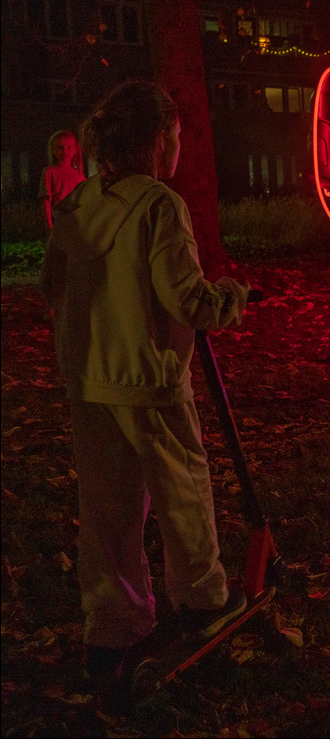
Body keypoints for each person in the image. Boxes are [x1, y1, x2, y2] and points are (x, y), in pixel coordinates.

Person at [39, 80, 252, 697]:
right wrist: (230, 299)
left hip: (90, 378)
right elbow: (185, 298)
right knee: (182, 488)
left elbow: (54, 284)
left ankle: (113, 627)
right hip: (149, 379)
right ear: (159, 141)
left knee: (106, 509)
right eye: (177, 136)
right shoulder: (159, 206)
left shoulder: (79, 205)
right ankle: (201, 598)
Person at [38, 129, 87, 231]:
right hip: (60, 223)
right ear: (53, 150)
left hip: (78, 223)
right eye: (60, 148)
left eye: (69, 147)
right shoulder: (49, 172)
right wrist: (49, 228)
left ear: (75, 150)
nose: (65, 152)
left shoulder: (79, 174)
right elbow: (46, 203)